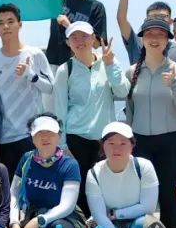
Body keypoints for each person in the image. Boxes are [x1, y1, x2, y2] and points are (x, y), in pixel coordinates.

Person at [125, 18, 176, 228]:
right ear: (142, 39)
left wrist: (173, 85)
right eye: (149, 34)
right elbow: (129, 110)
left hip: (169, 140)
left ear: (167, 40)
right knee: (141, 193)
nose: (154, 39)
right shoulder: (132, 71)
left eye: (160, 35)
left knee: (167, 192)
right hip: (140, 140)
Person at [52, 21, 129, 216]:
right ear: (68, 43)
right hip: (76, 138)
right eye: (74, 38)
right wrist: (62, 145)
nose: (80, 41)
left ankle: (104, 226)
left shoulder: (108, 61)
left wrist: (111, 66)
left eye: (84, 36)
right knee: (81, 189)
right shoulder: (65, 70)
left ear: (93, 38)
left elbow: (123, 91)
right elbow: (59, 109)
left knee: (105, 188)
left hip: (105, 139)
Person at [84, 122, 171, 228]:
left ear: (132, 145)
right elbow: (99, 215)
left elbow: (148, 207)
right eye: (111, 143)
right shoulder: (94, 173)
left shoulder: (144, 167)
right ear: (103, 146)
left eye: (123, 143)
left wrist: (116, 213)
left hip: (137, 219)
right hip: (107, 222)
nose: (116, 148)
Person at [0, 3, 54, 179]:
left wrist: (30, 75)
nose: (6, 26)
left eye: (10, 21)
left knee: (35, 187)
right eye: (1, 23)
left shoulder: (35, 54)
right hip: (5, 138)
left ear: (20, 24)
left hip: (32, 135)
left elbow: (50, 87)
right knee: (9, 190)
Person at [8, 114, 85, 228]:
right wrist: (14, 223)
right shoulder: (26, 159)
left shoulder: (70, 165)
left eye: (50, 133)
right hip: (32, 213)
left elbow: (67, 205)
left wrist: (39, 220)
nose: (45, 137)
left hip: (62, 217)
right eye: (39, 133)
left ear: (58, 136)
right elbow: (14, 193)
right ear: (32, 138)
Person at [46, 0, 109, 66]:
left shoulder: (96, 7)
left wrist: (69, 26)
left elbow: (96, 44)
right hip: (53, 62)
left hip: (81, 65)